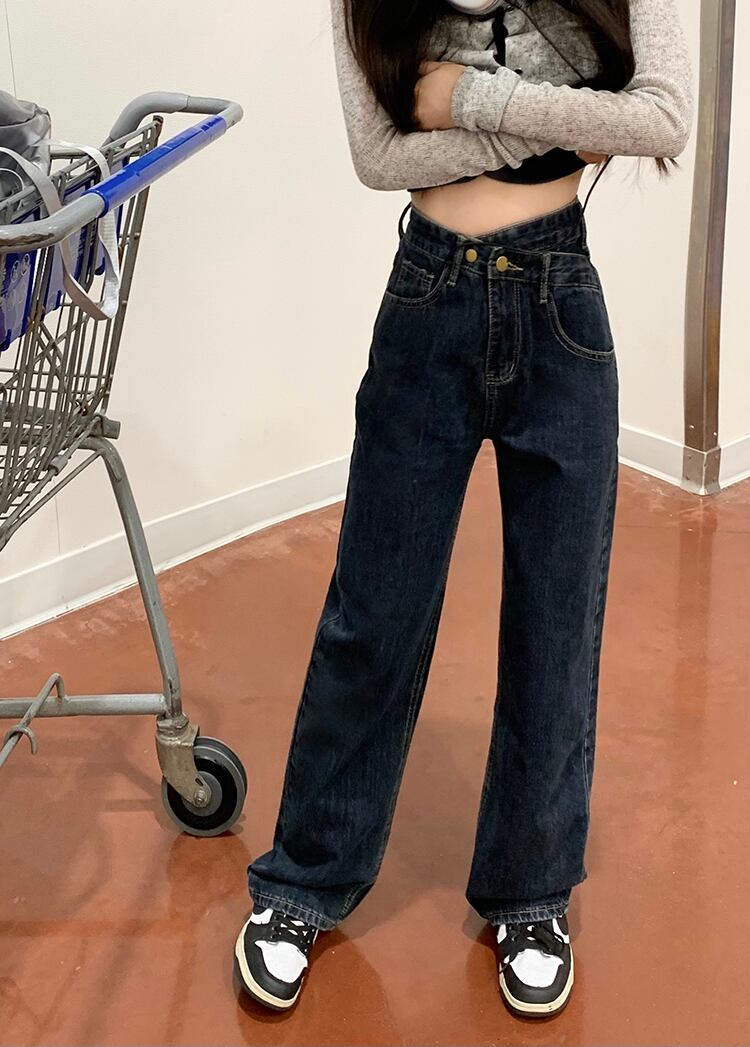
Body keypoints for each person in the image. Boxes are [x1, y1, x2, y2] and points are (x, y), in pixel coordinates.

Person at [235, 0, 693, 1019]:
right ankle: (304, 879)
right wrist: (568, 121)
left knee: (556, 620)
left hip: (561, 303)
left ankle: (532, 892)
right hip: (427, 301)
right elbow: (379, 160)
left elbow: (663, 120)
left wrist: (469, 101)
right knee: (374, 613)